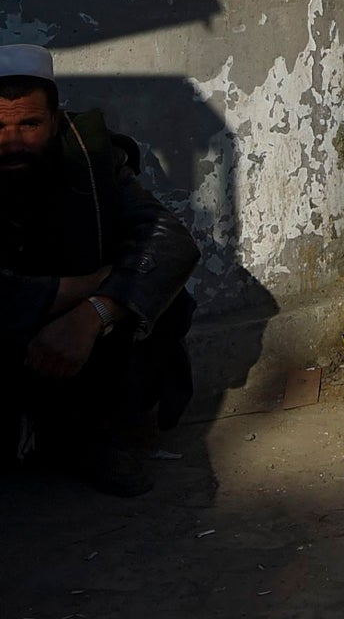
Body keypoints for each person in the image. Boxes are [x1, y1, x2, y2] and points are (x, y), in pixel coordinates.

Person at [0, 44, 198, 497]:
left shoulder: (92, 159)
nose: (12, 141)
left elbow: (169, 242)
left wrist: (94, 313)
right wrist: (86, 284)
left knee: (161, 301)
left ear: (53, 121)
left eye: (29, 124)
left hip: (82, 341)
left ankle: (98, 435)